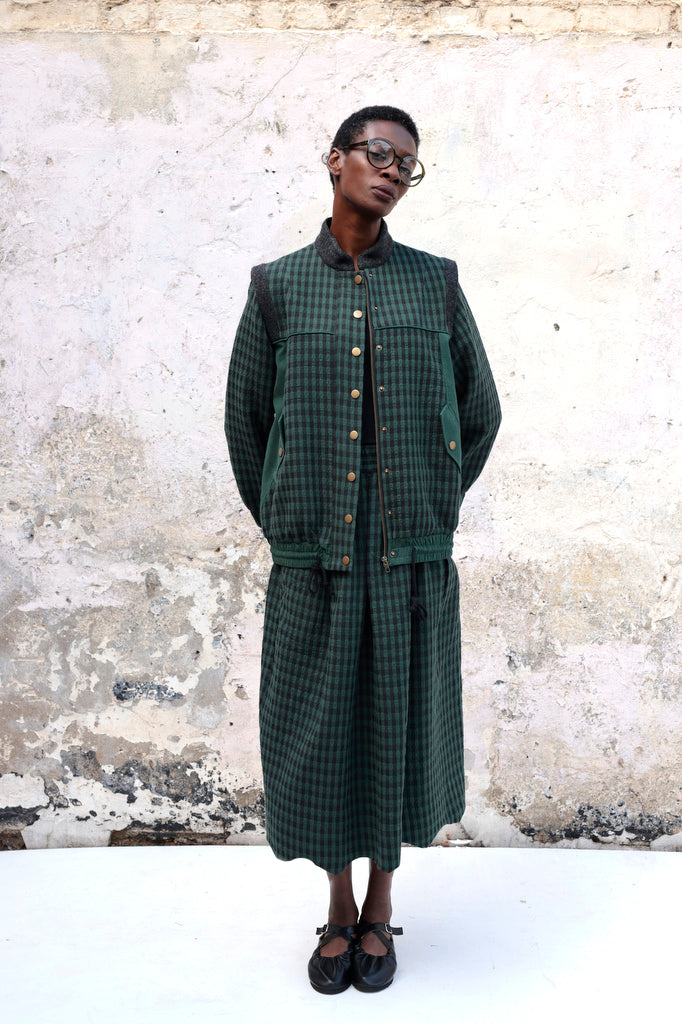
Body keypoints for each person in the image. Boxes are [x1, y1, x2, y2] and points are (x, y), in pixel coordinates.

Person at [225, 105, 501, 994]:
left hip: (408, 557)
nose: (391, 171)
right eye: (379, 154)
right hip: (315, 560)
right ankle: (335, 905)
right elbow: (246, 420)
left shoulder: (434, 283)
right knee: (318, 735)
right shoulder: (276, 286)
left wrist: (430, 502)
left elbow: (481, 408)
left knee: (396, 729)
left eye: (407, 165)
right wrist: (287, 520)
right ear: (336, 159)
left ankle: (381, 909)